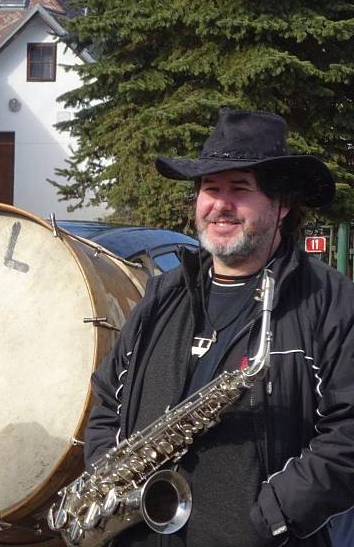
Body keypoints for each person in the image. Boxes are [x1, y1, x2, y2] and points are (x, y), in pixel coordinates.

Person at [84, 108, 354, 546]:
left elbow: (348, 437)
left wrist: (271, 517)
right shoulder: (161, 296)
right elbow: (107, 400)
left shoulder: (331, 302)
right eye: (211, 189)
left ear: (282, 205)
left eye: (240, 189)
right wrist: (110, 483)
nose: (220, 205)